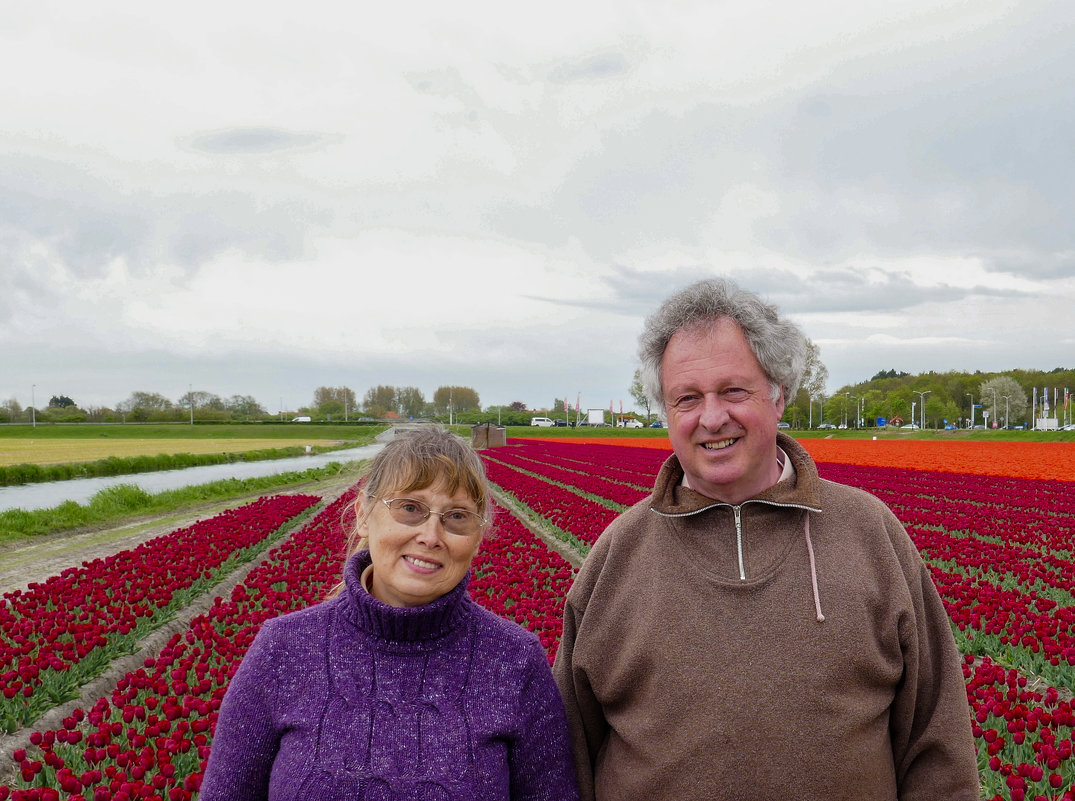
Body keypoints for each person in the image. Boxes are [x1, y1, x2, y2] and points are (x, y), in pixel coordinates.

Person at [552, 278, 979, 801]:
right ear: (666, 414)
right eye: (687, 398)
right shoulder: (618, 554)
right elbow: (566, 754)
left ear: (779, 396)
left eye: (734, 390)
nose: (712, 418)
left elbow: (936, 741)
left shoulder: (869, 533)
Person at [201, 426, 579, 801]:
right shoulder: (284, 649)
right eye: (410, 508)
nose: (431, 536)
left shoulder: (515, 660)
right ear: (363, 516)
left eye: (457, 517)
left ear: (477, 539)